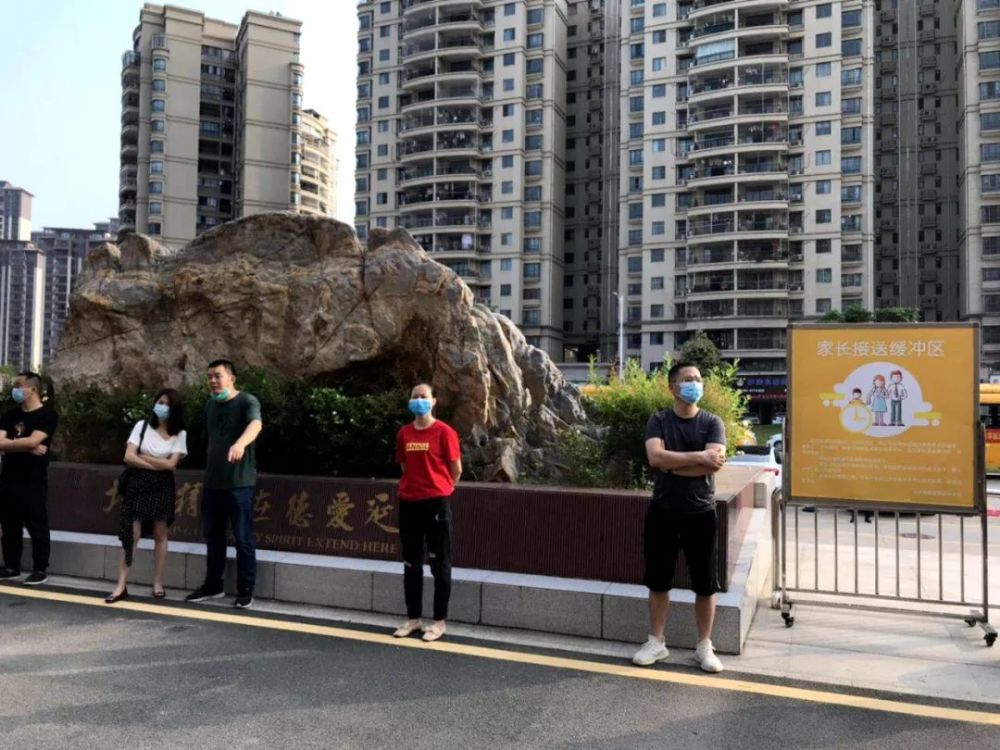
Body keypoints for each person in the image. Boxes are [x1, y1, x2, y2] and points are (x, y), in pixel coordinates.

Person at [633, 362, 727, 673]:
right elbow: (655, 457)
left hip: (702, 512)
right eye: (687, 379)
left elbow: (713, 464)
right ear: (672, 387)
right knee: (658, 580)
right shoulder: (659, 420)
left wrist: (672, 464)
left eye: (698, 379)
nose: (694, 384)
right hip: (663, 510)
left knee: (706, 583)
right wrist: (699, 457)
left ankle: (704, 646)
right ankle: (656, 641)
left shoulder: (712, 422)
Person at [185, 360, 262, 609]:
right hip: (213, 483)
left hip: (239, 483)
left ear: (232, 378)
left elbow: (255, 425)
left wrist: (240, 444)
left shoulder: (247, 401)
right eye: (209, 377)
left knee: (243, 538)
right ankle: (213, 585)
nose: (213, 381)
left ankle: (246, 589)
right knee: (213, 536)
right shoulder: (210, 405)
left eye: (217, 376)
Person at [392, 383, 461, 643]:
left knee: (439, 565)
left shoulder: (445, 432)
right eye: (415, 396)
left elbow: (456, 469)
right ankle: (413, 619)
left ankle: (439, 621)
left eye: (424, 396)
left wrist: (441, 488)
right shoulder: (404, 433)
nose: (419, 400)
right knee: (411, 564)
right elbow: (404, 464)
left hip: (436, 504)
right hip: (409, 502)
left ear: (433, 401)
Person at [105, 389, 187, 603]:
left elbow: (171, 464)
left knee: (160, 533)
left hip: (162, 487)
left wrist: (144, 458)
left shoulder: (180, 434)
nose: (162, 407)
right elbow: (128, 456)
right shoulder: (141, 426)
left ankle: (158, 583)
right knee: (131, 534)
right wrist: (158, 464)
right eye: (160, 402)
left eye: (168, 404)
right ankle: (121, 584)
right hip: (137, 484)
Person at [0, 372, 58, 585]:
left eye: (19, 385)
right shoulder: (10, 415)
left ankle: (40, 568)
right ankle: (11, 566)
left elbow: (36, 440)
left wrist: (13, 445)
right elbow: (4, 443)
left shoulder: (47, 415)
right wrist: (28, 447)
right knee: (9, 525)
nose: (15, 389)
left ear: (32, 389)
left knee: (37, 524)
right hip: (8, 477)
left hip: (33, 479)